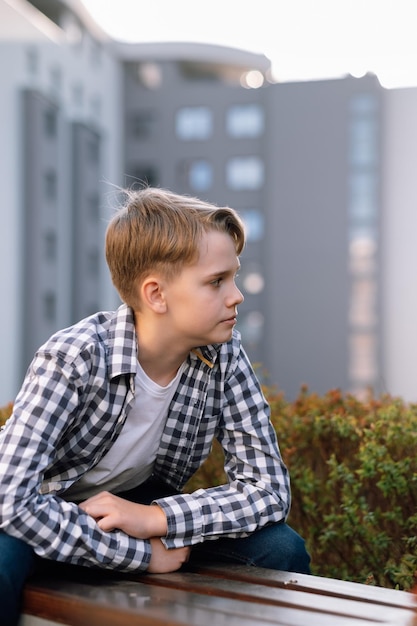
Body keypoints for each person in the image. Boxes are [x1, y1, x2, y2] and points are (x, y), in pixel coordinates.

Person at [0, 186, 310, 625]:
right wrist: (139, 555)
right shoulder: (75, 356)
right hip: (42, 510)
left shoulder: (222, 355)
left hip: (133, 508)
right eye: (216, 281)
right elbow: (11, 500)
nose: (236, 295)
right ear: (156, 295)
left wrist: (157, 517)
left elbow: (268, 490)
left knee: (280, 549)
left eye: (234, 277)